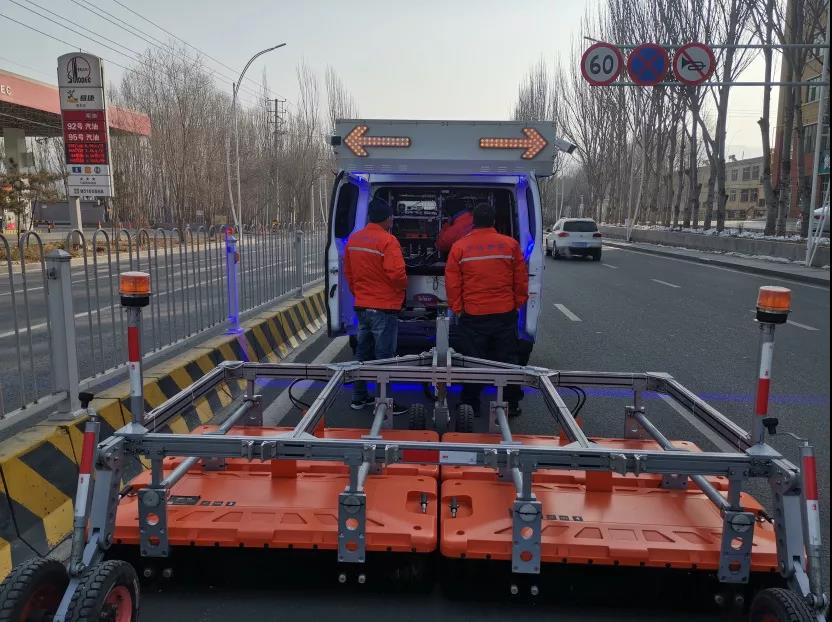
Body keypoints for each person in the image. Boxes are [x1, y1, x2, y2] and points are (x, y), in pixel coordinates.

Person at [445, 202, 528, 417]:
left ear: (473, 221)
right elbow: (520, 280)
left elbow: (453, 283)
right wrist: (516, 303)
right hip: (504, 313)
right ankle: (511, 403)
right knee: (508, 359)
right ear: (493, 221)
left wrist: (458, 308)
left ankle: (471, 404)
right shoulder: (510, 245)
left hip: (474, 314)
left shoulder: (460, 247)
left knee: (474, 359)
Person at [344, 197, 408, 410]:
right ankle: (384, 403)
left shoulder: (354, 239)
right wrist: (402, 289)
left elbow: (349, 273)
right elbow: (397, 274)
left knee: (362, 353)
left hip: (362, 306)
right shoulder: (388, 241)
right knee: (384, 357)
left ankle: (358, 397)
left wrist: (360, 294)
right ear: (388, 219)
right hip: (384, 307)